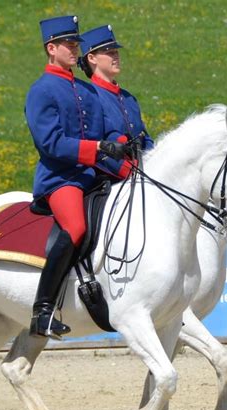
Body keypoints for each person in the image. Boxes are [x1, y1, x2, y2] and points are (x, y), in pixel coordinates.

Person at [25, 15, 131, 339]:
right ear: (51, 48)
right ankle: (42, 311)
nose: (75, 49)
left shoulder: (84, 89)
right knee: (75, 227)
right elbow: (51, 143)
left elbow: (105, 129)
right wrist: (98, 147)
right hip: (62, 178)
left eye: (76, 43)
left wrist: (122, 146)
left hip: (93, 174)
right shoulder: (41, 90)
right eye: (69, 44)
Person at [78, 25, 154, 154]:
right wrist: (127, 170)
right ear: (92, 58)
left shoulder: (129, 98)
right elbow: (95, 145)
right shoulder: (89, 97)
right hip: (112, 172)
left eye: (116, 51)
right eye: (109, 52)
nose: (116, 56)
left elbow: (145, 139)